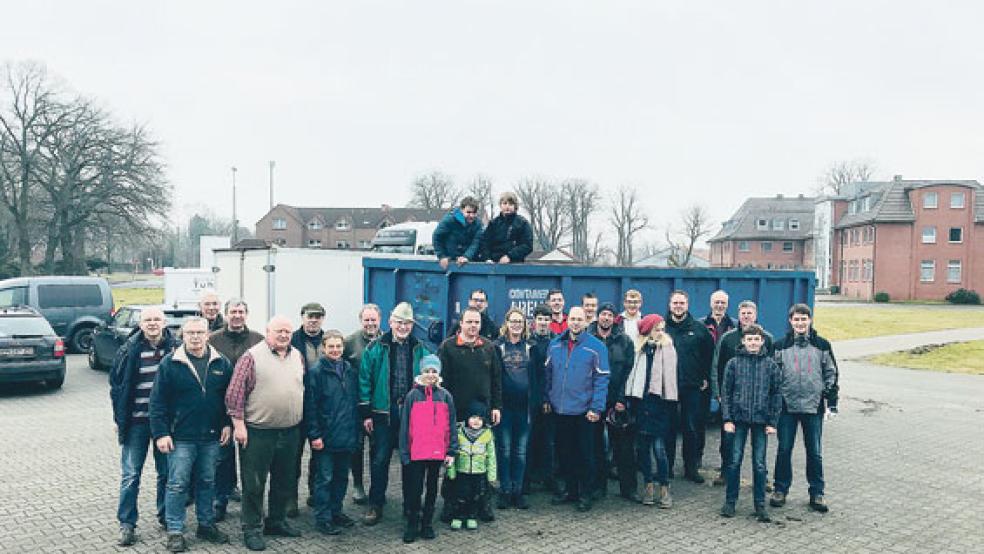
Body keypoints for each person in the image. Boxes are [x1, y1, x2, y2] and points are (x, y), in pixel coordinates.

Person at [150, 317, 233, 552]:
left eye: (199, 332)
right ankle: (175, 530)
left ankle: (206, 525)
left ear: (208, 335)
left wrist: (227, 423)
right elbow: (157, 402)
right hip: (180, 437)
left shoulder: (221, 363)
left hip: (212, 436)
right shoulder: (170, 363)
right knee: (177, 484)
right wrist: (161, 434)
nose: (195, 337)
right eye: (190, 333)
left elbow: (229, 398)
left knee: (207, 482)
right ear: (182, 336)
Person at [225, 316, 306, 551]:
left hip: (290, 431)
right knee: (254, 483)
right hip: (258, 432)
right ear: (267, 331)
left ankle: (276, 521)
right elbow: (234, 395)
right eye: (279, 331)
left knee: (284, 480)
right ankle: (251, 528)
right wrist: (239, 426)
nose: (283, 335)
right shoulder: (252, 357)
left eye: (287, 332)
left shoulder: (297, 356)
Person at [358, 302, 433, 526]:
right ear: (390, 322)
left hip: (413, 413)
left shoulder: (421, 348)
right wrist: (366, 414)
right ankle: (376, 504)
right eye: (399, 322)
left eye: (407, 323)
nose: (403, 327)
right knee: (379, 460)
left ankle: (410, 505)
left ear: (412, 325)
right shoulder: (375, 348)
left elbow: (432, 378)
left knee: (412, 461)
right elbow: (364, 381)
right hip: (383, 412)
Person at [110, 307, 179, 547]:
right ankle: (127, 524)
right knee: (130, 475)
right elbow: (117, 388)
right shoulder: (128, 350)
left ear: (164, 322)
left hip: (166, 425)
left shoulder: (176, 348)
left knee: (167, 474)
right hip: (136, 423)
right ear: (140, 324)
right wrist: (119, 420)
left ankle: (166, 517)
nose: (152, 323)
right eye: (147, 319)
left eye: (156, 319)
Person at [770, 304, 839, 514]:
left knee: (815, 452)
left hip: (813, 406)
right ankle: (780, 490)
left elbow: (831, 374)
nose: (800, 323)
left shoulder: (822, 345)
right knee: (784, 450)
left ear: (810, 320)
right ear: (790, 321)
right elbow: (773, 376)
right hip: (787, 407)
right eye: (796, 319)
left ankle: (817, 493)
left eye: (804, 319)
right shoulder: (780, 346)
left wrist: (831, 402)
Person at [438, 306, 502, 522]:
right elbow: (441, 382)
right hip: (455, 414)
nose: (473, 326)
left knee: (480, 461)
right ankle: (451, 505)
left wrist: (496, 407)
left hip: (480, 416)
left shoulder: (489, 348)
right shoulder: (447, 348)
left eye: (477, 322)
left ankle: (482, 504)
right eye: (469, 322)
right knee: (454, 462)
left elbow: (496, 380)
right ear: (461, 323)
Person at [544, 307, 609, 512]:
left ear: (586, 321)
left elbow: (602, 378)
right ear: (567, 320)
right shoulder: (555, 345)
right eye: (572, 319)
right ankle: (570, 491)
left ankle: (585, 494)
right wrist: (547, 398)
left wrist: (596, 408)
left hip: (584, 411)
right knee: (565, 454)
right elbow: (548, 374)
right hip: (560, 410)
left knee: (586, 455)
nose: (575, 323)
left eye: (579, 319)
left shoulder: (596, 347)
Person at [208, 298, 264, 521]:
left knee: (251, 460)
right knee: (221, 458)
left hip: (251, 410)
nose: (237, 315)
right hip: (219, 409)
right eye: (233, 312)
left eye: (241, 311)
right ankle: (219, 501)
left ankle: (252, 508)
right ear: (226, 314)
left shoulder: (258, 340)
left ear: (247, 314)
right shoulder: (213, 340)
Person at [719, 324, 781, 522]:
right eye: (749, 339)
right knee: (734, 461)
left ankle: (760, 504)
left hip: (761, 422)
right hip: (738, 420)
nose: (753, 343)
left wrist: (772, 421)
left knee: (760, 464)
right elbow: (726, 393)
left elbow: (776, 394)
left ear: (762, 341)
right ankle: (730, 501)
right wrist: (727, 419)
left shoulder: (770, 365)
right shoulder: (733, 364)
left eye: (756, 339)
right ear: (743, 342)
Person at [710, 300, 773, 487]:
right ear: (739, 315)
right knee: (728, 438)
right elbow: (716, 365)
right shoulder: (728, 338)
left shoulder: (767, 338)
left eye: (750, 313)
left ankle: (763, 477)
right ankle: (725, 471)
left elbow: (774, 370)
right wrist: (718, 392)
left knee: (759, 443)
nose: (746, 316)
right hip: (732, 399)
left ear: (756, 315)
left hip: (759, 401)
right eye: (743, 313)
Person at [304, 330, 359, 536]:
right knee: (324, 479)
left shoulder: (348, 370)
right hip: (326, 437)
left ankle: (337, 512)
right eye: (331, 346)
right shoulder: (317, 372)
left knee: (341, 478)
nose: (335, 350)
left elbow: (353, 403)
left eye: (339, 346)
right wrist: (315, 435)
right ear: (324, 349)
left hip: (346, 435)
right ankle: (323, 518)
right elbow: (310, 407)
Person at [398, 355, 457, 543]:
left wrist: (451, 450)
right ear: (421, 373)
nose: (430, 375)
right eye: (427, 371)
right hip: (416, 453)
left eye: (434, 371)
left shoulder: (445, 396)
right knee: (415, 490)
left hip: (437, 452)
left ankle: (427, 524)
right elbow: (405, 426)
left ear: (438, 374)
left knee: (432, 489)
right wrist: (404, 452)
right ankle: (412, 524)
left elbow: (452, 425)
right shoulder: (412, 396)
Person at [624, 314, 677, 508]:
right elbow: (630, 375)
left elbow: (670, 380)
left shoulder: (668, 347)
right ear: (647, 330)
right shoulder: (638, 349)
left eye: (662, 328)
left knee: (659, 449)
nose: (660, 332)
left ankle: (664, 487)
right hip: (641, 403)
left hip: (660, 404)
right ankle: (647, 485)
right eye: (657, 328)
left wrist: (668, 403)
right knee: (643, 449)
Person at [664, 290, 714, 483]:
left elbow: (709, 356)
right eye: (675, 303)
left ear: (687, 305)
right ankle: (666, 466)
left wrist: (704, 377)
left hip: (691, 387)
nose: (678, 306)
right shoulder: (662, 328)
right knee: (668, 428)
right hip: (666, 387)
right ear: (670, 305)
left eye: (682, 303)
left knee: (690, 428)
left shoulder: (699, 329)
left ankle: (690, 468)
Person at [589, 302, 635, 501]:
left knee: (624, 448)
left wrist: (622, 399)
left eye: (609, 315)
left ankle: (629, 489)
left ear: (614, 319)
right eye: (603, 314)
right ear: (598, 317)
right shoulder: (588, 338)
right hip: (594, 401)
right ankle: (598, 487)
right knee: (596, 446)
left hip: (617, 401)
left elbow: (629, 372)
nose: (606, 318)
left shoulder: (624, 341)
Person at [494, 308, 534, 509]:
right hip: (504, 408)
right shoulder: (498, 347)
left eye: (520, 321)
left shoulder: (530, 347)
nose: (517, 324)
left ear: (524, 324)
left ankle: (517, 491)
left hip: (524, 408)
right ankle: (504, 490)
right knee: (505, 451)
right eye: (513, 321)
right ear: (506, 323)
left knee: (520, 452)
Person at [288, 302, 326, 515]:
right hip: (297, 404)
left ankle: (314, 493)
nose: (313, 320)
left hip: (321, 407)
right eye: (309, 316)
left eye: (317, 317)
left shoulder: (328, 341)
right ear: (302, 317)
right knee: (293, 456)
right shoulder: (292, 340)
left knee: (319, 455)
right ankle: (290, 498)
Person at [343, 304, 382, 506]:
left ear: (380, 320)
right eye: (366, 320)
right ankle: (358, 485)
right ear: (361, 321)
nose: (370, 323)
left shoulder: (387, 340)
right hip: (356, 405)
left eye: (373, 319)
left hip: (379, 405)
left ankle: (377, 487)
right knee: (356, 447)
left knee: (377, 448)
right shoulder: (349, 342)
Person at [447, 401, 498, 531]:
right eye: (473, 417)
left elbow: (491, 456)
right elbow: (452, 453)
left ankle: (471, 516)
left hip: (479, 472)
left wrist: (492, 475)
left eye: (480, 419)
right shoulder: (459, 433)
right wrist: (451, 471)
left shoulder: (487, 435)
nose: (476, 421)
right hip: (462, 471)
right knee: (460, 495)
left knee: (475, 495)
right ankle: (458, 516)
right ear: (467, 418)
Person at [526, 304, 558, 492]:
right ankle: (527, 479)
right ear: (534, 321)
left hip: (550, 399)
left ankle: (549, 478)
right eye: (540, 319)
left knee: (549, 441)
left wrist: (547, 399)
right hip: (531, 399)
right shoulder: (528, 343)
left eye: (547, 319)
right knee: (530, 440)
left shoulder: (556, 342)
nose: (543, 322)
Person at [478, 191, 533, 263]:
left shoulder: (522, 223)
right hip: (494, 264)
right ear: (500, 205)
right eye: (504, 203)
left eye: (510, 204)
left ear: (515, 206)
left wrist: (509, 256)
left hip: (515, 265)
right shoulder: (493, 224)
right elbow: (485, 242)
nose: (507, 206)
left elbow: (527, 245)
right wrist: (487, 258)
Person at [433, 196, 484, 270]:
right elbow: (437, 237)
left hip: (469, 261)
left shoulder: (478, 224)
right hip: (450, 259)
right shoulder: (449, 220)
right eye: (468, 212)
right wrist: (442, 256)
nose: (471, 216)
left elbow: (476, 242)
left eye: (474, 213)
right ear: (461, 210)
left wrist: (467, 256)